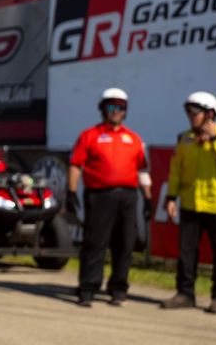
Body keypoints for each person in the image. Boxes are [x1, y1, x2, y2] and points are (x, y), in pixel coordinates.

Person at [66, 87, 151, 307]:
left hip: (128, 197)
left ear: (125, 111)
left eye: (120, 108)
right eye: (111, 107)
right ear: (103, 109)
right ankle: (87, 288)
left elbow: (142, 170)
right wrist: (71, 192)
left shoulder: (134, 139)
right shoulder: (89, 135)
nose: (116, 111)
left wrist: (148, 198)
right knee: (95, 243)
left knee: (125, 244)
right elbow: (75, 165)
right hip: (99, 196)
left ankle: (118, 289)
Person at [161, 91, 216, 315]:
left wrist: (213, 140)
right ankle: (185, 293)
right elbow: (176, 170)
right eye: (188, 112)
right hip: (191, 203)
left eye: (195, 112)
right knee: (186, 251)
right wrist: (171, 196)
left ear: (210, 113)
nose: (190, 116)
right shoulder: (185, 138)